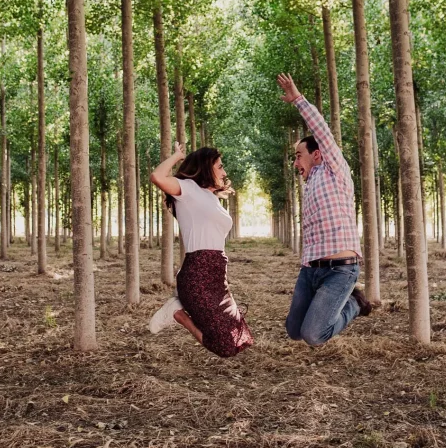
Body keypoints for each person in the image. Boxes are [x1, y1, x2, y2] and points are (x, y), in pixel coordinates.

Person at [277, 73, 372, 347]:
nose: (295, 163)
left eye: (298, 156)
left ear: (317, 154)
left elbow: (322, 133)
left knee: (313, 335)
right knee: (294, 330)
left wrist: (298, 100)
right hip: (311, 269)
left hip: (340, 270)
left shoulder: (335, 171)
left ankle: (354, 302)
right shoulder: (311, 183)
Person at [147, 143, 254, 358]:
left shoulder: (211, 198)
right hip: (198, 273)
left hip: (217, 274)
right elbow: (157, 176)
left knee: (236, 340)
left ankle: (179, 304)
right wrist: (177, 156)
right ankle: (178, 313)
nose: (224, 172)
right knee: (225, 345)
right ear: (206, 167)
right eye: (220, 166)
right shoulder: (188, 189)